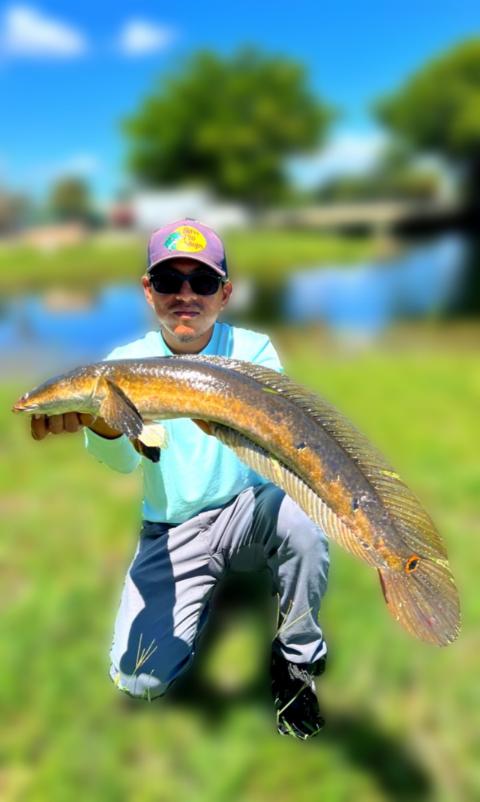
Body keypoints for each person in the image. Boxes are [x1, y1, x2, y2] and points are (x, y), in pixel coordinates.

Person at [30, 219, 330, 740]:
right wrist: (104, 426)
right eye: (169, 281)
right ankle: (203, 594)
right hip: (173, 529)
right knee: (139, 678)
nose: (186, 295)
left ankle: (295, 658)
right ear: (149, 291)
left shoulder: (254, 352)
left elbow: (277, 443)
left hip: (249, 509)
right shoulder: (121, 366)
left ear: (225, 293)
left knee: (304, 522)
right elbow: (124, 463)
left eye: (203, 281)